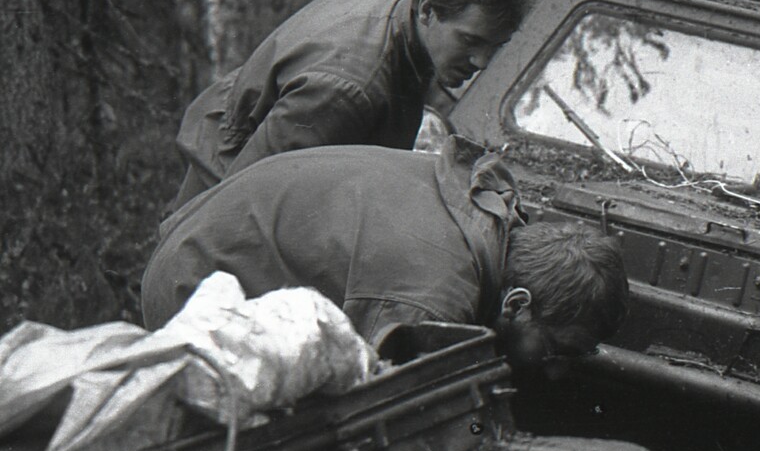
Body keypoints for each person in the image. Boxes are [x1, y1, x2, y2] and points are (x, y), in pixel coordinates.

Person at [142, 136, 627, 371]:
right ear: (517, 304)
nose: (556, 373)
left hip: (214, 236)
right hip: (200, 287)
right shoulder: (433, 296)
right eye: (554, 351)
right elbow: (394, 404)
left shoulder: (490, 214)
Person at [165, 0, 533, 214]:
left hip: (259, 131)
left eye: (495, 46)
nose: (482, 61)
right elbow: (245, 204)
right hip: (225, 185)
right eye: (470, 41)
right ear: (427, 10)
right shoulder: (348, 90)